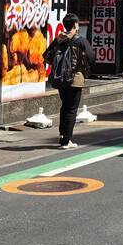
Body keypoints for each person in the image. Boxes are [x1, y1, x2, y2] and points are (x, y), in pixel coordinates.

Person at [44, 12, 93, 149]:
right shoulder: (80, 40)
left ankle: (62, 137)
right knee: (71, 109)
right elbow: (91, 58)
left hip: (60, 79)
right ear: (76, 25)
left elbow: (47, 57)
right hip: (75, 78)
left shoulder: (59, 40)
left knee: (64, 107)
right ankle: (67, 140)